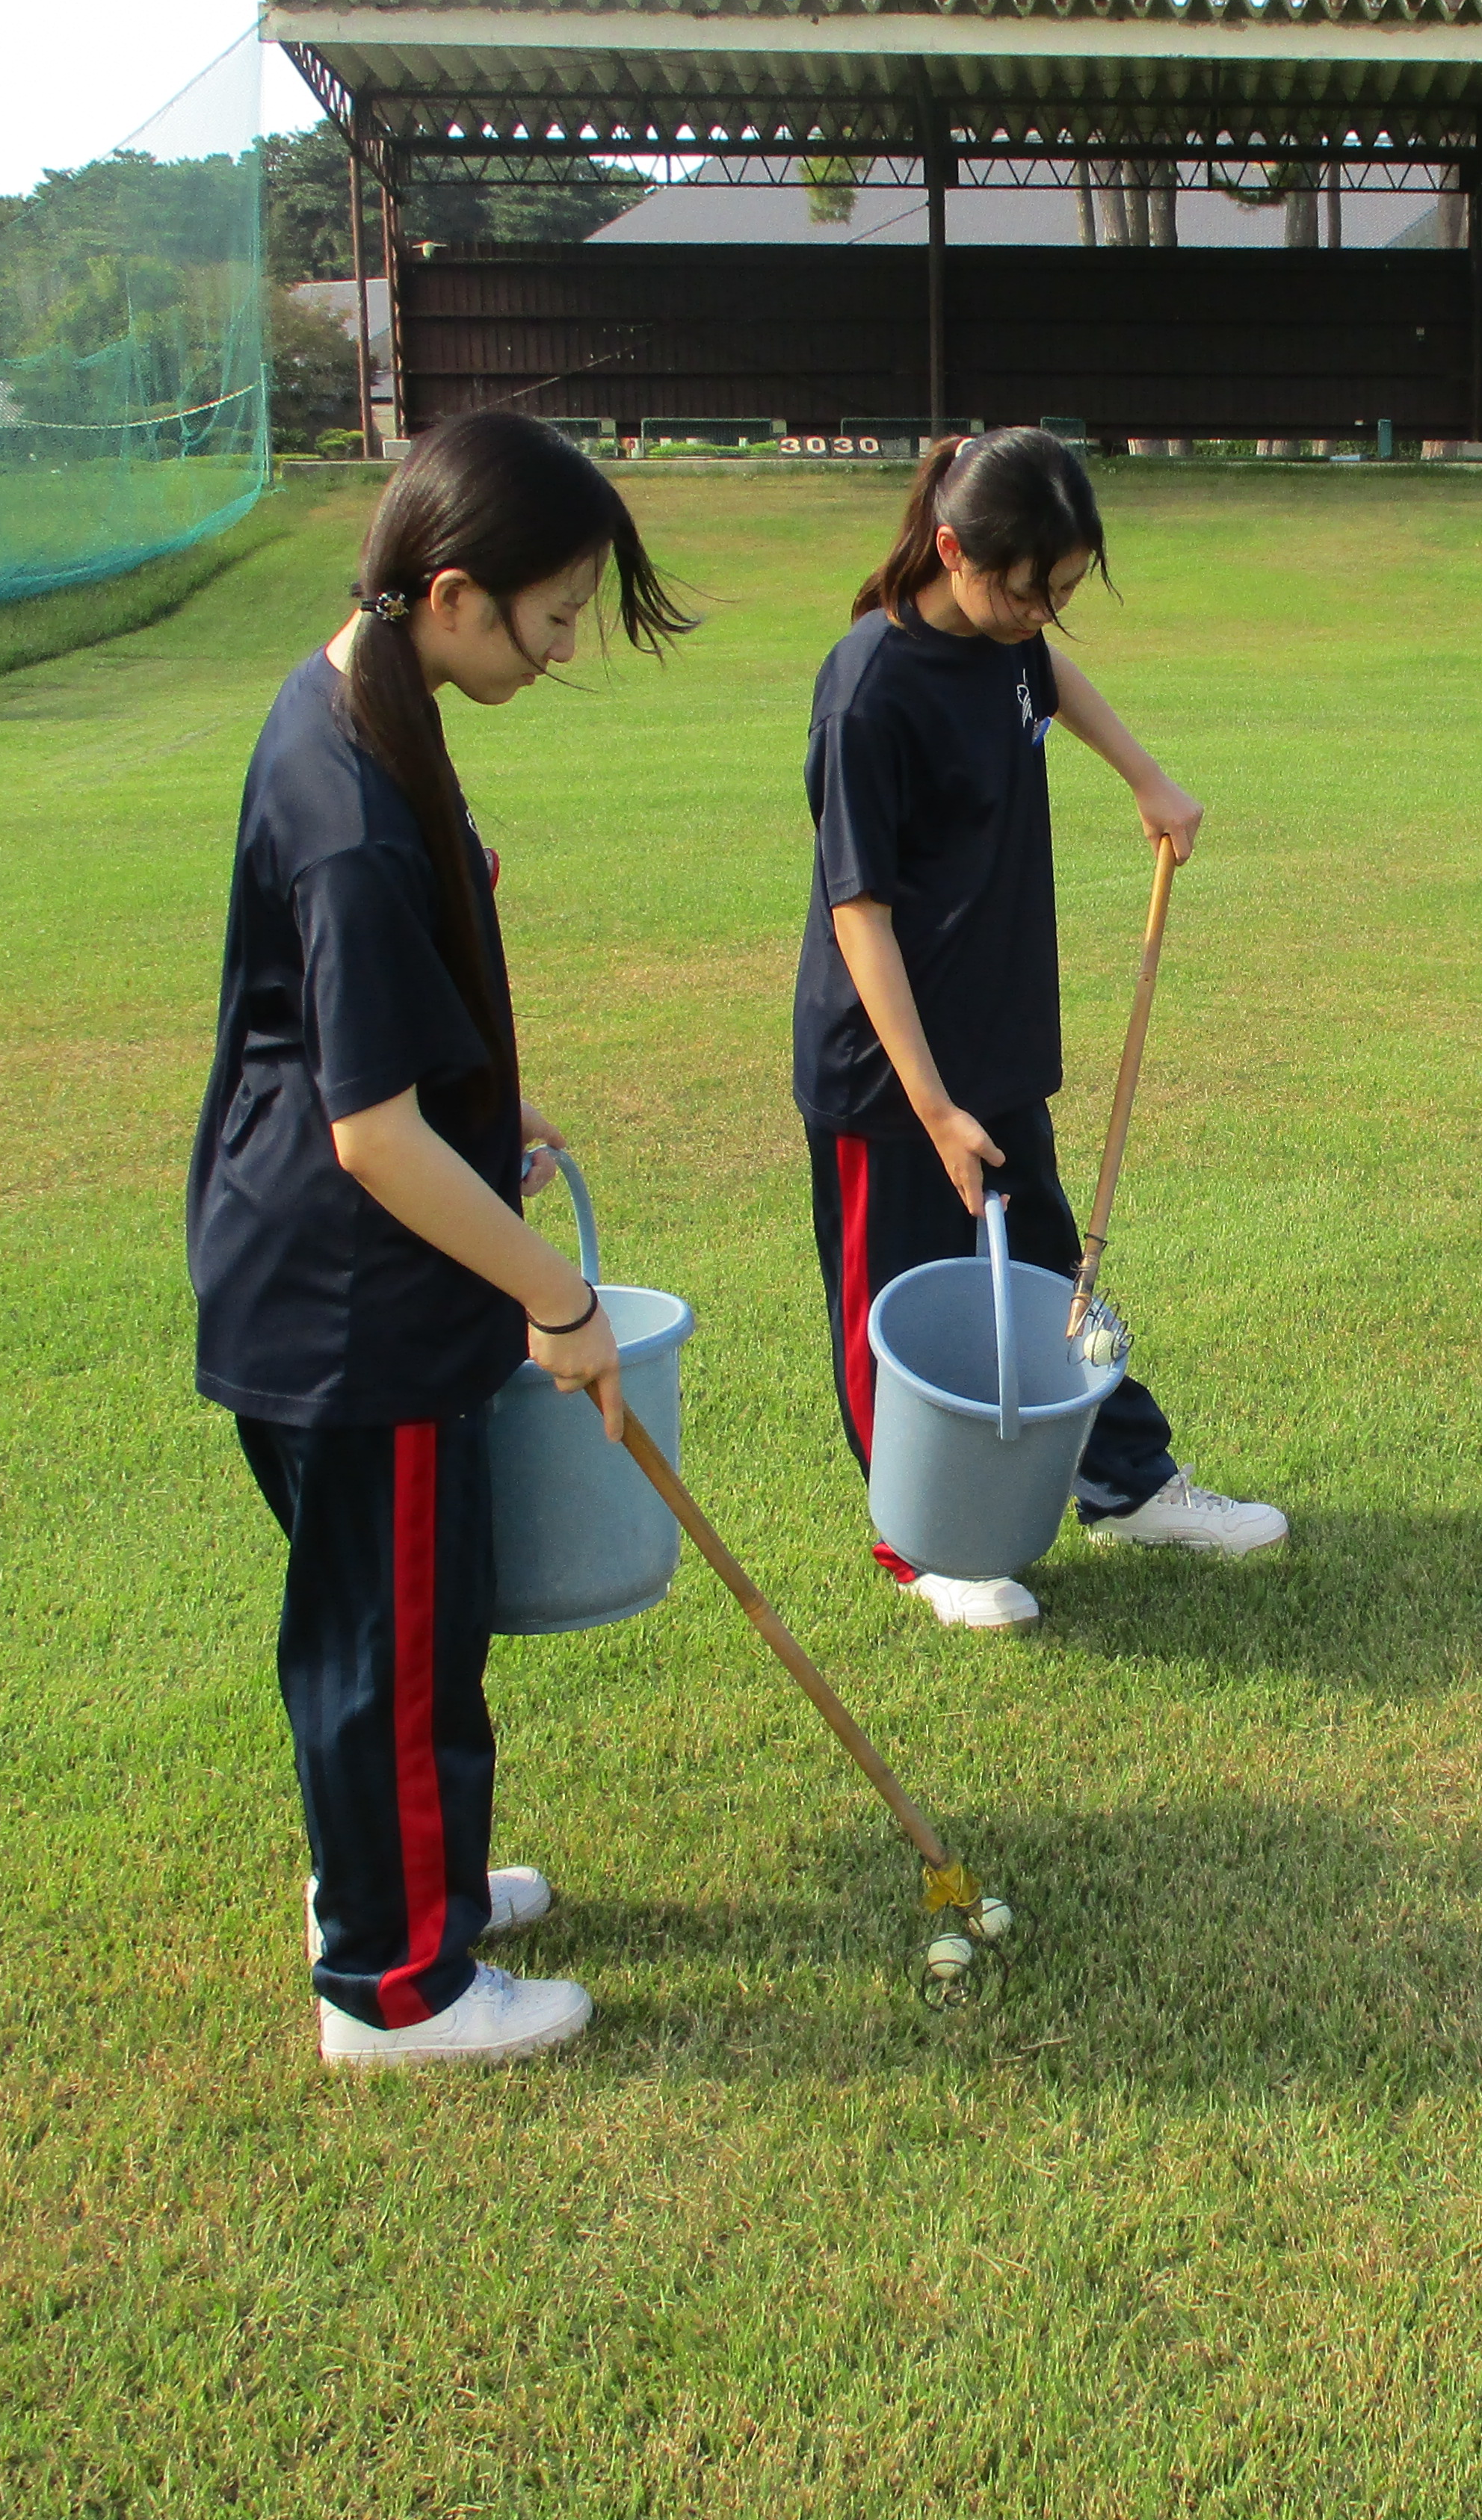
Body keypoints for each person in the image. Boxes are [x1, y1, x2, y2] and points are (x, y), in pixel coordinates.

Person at [188, 410, 688, 2068]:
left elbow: (388, 1052)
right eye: (551, 620)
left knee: (413, 1616)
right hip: (349, 1306)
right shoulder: (346, 788)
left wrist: (499, 1113)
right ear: (456, 593)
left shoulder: (364, 703)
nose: (557, 653)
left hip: (361, 1273)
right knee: (382, 1641)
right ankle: (394, 1988)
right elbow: (369, 1130)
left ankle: (413, 1878)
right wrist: (560, 1300)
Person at [795, 427, 1287, 1631]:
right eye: (1029, 590)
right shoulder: (869, 687)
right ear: (953, 550)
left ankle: (1121, 1481)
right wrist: (932, 1105)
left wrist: (1144, 775)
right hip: (888, 1073)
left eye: (1065, 593)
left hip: (996, 1038)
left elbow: (1045, 682)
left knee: (1054, 1280)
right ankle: (925, 1542)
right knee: (901, 1304)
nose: (1043, 615)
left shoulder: (1010, 648)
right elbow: (858, 916)